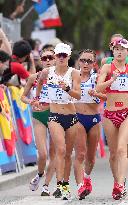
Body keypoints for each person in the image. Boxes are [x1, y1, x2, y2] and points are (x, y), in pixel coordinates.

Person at [96, 38, 128, 200]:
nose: (119, 51)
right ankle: (117, 182)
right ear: (113, 51)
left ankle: (120, 185)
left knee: (122, 148)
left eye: (122, 49)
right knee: (114, 153)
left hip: (126, 112)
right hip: (109, 113)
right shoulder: (107, 67)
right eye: (116, 49)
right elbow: (98, 88)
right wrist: (112, 79)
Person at [34, 43, 81, 200]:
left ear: (68, 56)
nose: (61, 58)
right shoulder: (48, 72)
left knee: (68, 154)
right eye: (58, 55)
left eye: (64, 55)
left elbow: (78, 95)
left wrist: (67, 88)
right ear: (55, 57)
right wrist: (37, 98)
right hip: (54, 116)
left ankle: (65, 184)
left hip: (71, 116)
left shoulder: (74, 73)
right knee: (60, 150)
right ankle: (60, 184)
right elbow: (39, 82)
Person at [21, 48, 55, 196]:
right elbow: (23, 97)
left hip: (56, 115)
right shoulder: (33, 77)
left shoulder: (61, 77)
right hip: (39, 117)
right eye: (44, 58)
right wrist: (31, 101)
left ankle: (46, 186)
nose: (47, 61)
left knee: (55, 154)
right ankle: (39, 175)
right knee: (42, 154)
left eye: (50, 58)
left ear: (55, 59)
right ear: (41, 61)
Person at [74, 49, 106, 200]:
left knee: (91, 158)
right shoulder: (72, 76)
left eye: (89, 61)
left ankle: (86, 178)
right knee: (80, 154)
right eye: (83, 60)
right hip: (78, 117)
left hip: (93, 119)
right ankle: (80, 186)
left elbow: (107, 96)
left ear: (94, 63)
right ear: (78, 61)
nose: (85, 63)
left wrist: (97, 94)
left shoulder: (97, 78)